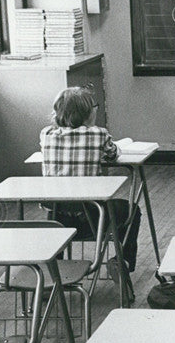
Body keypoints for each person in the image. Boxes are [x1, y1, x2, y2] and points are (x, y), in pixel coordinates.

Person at [39, 86, 141, 274]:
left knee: (61, 204)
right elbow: (112, 155)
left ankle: (54, 270)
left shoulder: (46, 134)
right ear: (87, 112)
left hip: (57, 218)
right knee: (132, 211)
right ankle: (123, 262)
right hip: (94, 216)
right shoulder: (98, 134)